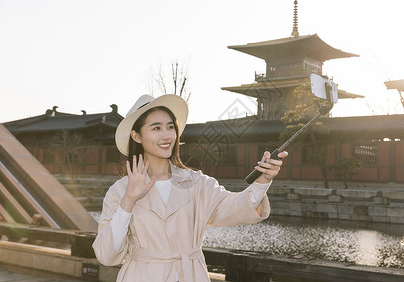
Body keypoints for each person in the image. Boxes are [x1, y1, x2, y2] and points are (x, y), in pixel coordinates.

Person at [93, 94, 288, 282]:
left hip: (190, 275)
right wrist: (129, 201)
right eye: (156, 128)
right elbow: (107, 256)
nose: (167, 135)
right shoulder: (119, 191)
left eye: (170, 127)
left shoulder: (196, 183)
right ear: (136, 136)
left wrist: (263, 179)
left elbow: (236, 206)